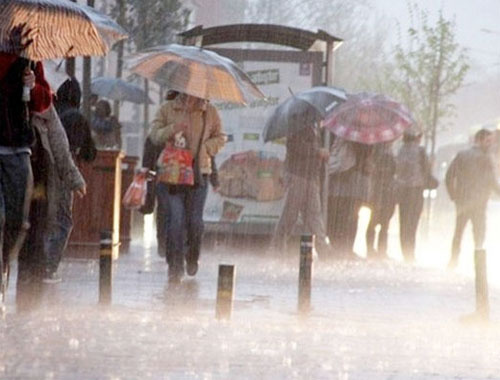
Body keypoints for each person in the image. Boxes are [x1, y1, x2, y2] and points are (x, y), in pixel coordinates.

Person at [149, 92, 225, 283]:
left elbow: (221, 137)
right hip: (172, 175)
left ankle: (192, 255)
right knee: (175, 220)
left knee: (195, 222)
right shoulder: (168, 109)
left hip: (199, 175)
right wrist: (172, 129)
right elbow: (154, 135)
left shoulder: (210, 111)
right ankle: (174, 265)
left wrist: (207, 147)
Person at [0, 46, 52, 309]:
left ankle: (5, 262)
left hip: (18, 147)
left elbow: (44, 102)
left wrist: (32, 86)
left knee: (19, 221)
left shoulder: (30, 54)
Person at [39, 77, 95, 282]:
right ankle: (48, 266)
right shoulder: (77, 118)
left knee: (43, 217)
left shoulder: (47, 110)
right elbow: (90, 153)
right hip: (62, 172)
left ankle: (36, 262)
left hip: (39, 169)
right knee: (62, 220)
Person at [270, 114, 331, 256]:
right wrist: (318, 152)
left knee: (314, 215)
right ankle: (277, 247)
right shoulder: (297, 126)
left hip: (310, 177)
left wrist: (320, 158)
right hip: (297, 176)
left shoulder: (314, 128)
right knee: (290, 214)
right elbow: (296, 147)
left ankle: (323, 250)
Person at [445, 129, 500, 269]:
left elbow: (449, 176)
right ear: (480, 140)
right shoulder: (486, 158)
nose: (490, 145)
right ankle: (478, 265)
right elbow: (492, 181)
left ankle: (453, 260)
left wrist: (454, 195)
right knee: (479, 234)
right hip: (479, 203)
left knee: (458, 232)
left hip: (462, 201)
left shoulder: (462, 155)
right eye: (488, 141)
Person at [328, 139, 373, 259]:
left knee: (340, 216)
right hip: (351, 182)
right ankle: (344, 248)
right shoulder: (360, 138)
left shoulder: (338, 135)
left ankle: (339, 247)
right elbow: (365, 155)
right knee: (350, 217)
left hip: (339, 181)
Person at [395, 126, 432, 262]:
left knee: (404, 221)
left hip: (402, 190)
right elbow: (426, 170)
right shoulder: (420, 151)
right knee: (413, 222)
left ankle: (405, 251)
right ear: (417, 137)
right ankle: (411, 252)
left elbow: (397, 169)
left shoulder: (400, 150)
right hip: (416, 189)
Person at [365, 143, 397, 259]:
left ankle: (373, 249)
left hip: (379, 190)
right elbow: (393, 170)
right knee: (382, 222)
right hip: (383, 191)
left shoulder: (376, 152)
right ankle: (379, 250)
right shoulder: (384, 152)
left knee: (376, 221)